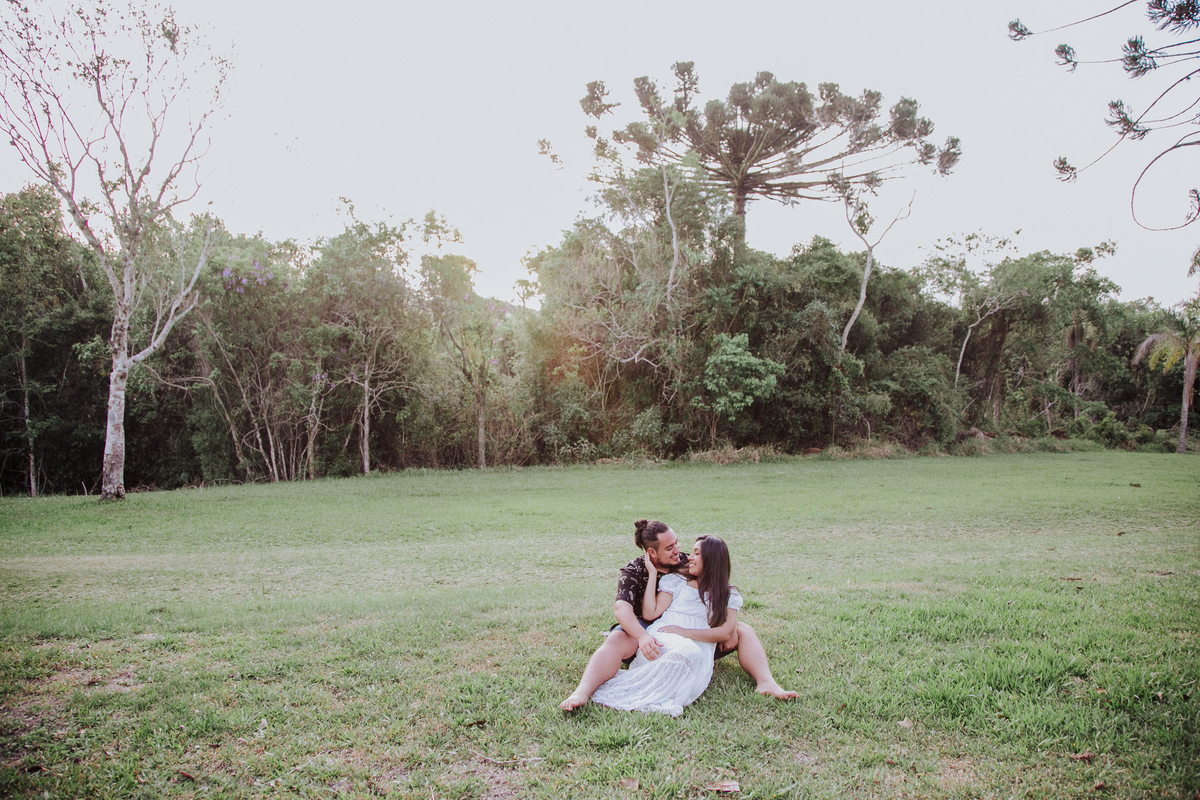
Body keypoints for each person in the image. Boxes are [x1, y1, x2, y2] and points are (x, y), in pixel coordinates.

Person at [560, 520, 797, 711]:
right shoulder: (634, 571)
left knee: (743, 630)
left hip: (698, 634)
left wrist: (729, 627)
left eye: (677, 544)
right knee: (617, 638)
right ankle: (582, 691)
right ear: (652, 553)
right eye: (670, 547)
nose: (680, 553)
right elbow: (624, 610)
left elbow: (715, 576)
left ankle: (766, 682)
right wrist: (643, 637)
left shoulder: (686, 562)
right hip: (649, 630)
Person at [588, 534, 739, 716]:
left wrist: (685, 632)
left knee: (693, 655)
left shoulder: (728, 594)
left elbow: (724, 632)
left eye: (696, 553)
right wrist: (652, 574)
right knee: (689, 651)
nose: (689, 557)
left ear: (712, 560)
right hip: (666, 633)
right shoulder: (677, 581)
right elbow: (650, 613)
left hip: (699, 645)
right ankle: (632, 691)